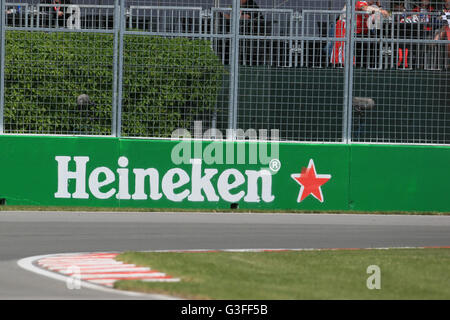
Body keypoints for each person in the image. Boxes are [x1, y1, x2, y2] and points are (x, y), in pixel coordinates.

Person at [331, 1, 389, 67]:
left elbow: (376, 17)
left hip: (356, 30)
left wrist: (379, 7)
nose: (374, 2)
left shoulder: (371, 6)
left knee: (347, 49)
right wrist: (379, 10)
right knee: (341, 47)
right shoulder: (361, 1)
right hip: (344, 24)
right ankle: (338, 65)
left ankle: (347, 65)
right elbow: (363, 7)